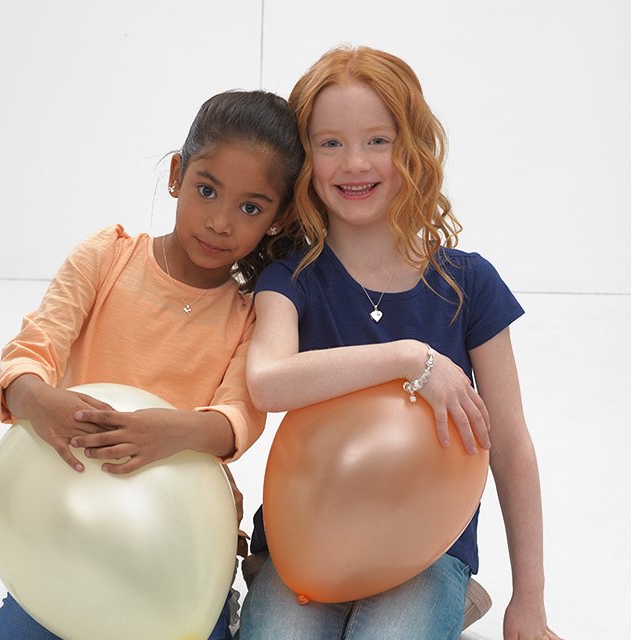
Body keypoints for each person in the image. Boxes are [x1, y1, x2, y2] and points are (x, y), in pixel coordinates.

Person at [239, 46, 563, 640]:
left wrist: (531, 604)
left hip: (427, 547)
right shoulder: (290, 279)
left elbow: (511, 448)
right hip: (307, 539)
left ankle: (454, 596)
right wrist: (411, 357)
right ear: (303, 159)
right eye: (329, 143)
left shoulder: (469, 284)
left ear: (410, 148)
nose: (354, 162)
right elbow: (266, 381)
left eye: (378, 140)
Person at [0, 89, 305, 640]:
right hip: (67, 525)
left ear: (277, 220)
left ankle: (217, 604)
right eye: (207, 190)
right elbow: (30, 352)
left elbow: (240, 415)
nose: (221, 222)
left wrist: (174, 431)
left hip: (177, 548)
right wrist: (38, 400)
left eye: (250, 207)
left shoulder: (252, 315)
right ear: (177, 175)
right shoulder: (106, 258)